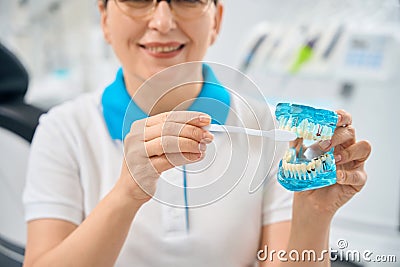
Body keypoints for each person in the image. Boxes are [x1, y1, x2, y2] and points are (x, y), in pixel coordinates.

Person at [22, 0, 371, 266]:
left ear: (216, 19)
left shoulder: (269, 129)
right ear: (105, 19)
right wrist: (126, 195)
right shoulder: (63, 131)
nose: (162, 22)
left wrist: (312, 217)